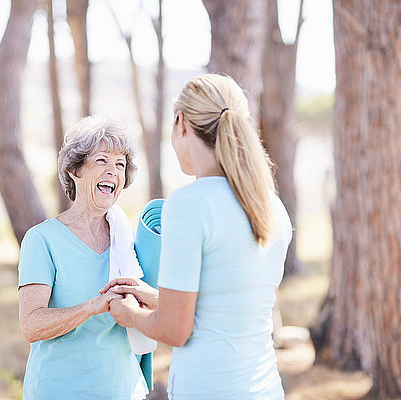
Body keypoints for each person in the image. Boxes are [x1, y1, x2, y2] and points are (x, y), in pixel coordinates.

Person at [101, 74, 292, 399]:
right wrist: (161, 298)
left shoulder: (189, 204)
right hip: (266, 389)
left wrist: (130, 315)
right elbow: (235, 309)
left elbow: (175, 330)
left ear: (181, 123)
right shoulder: (271, 207)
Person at [17, 115, 148, 399]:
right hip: (59, 390)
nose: (113, 171)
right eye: (102, 160)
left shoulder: (129, 240)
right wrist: (92, 306)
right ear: (75, 169)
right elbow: (31, 325)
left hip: (123, 390)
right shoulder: (42, 239)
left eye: (120, 164)